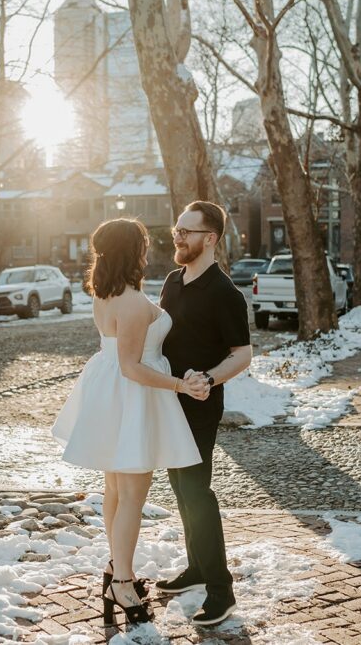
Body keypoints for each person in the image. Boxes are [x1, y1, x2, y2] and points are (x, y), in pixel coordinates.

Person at [51, 217, 211, 627]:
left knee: (115, 491)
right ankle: (122, 579)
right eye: (143, 243)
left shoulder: (104, 294)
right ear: (133, 251)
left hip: (108, 395)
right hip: (132, 395)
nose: (148, 248)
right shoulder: (134, 302)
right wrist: (179, 385)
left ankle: (116, 569)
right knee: (132, 497)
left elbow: (117, 358)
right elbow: (131, 367)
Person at [155, 201, 253, 626]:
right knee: (180, 489)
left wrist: (209, 379)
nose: (177, 237)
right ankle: (196, 568)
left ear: (209, 238)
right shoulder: (173, 281)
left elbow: (243, 355)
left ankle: (221, 590)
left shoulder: (225, 293)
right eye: (176, 230)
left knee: (197, 493)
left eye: (186, 232)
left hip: (198, 406)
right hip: (166, 401)